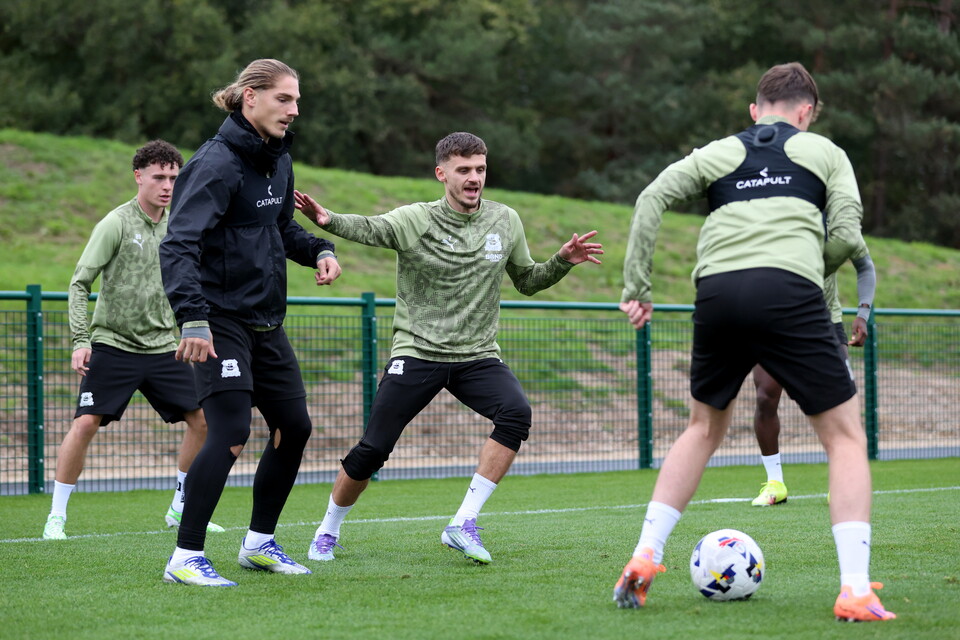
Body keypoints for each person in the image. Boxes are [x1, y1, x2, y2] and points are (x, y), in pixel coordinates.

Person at [614, 63, 895, 621]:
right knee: (843, 436)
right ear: (806, 112)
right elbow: (846, 235)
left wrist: (637, 288)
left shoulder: (717, 152)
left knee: (702, 428)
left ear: (754, 110)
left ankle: (645, 555)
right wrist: (800, 268)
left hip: (716, 293)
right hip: (789, 290)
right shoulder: (826, 152)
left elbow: (650, 198)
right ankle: (855, 590)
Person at [294, 131, 603, 565]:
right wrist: (328, 220)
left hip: (477, 355)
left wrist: (562, 261)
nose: (474, 178)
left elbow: (528, 281)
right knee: (374, 449)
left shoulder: (505, 220)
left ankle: (463, 522)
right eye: (464, 170)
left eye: (480, 169)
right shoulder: (417, 218)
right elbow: (373, 228)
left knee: (516, 413)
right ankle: (327, 529)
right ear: (442, 174)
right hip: (418, 351)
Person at [158, 59, 341, 587]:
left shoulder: (279, 160)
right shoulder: (214, 164)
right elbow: (179, 244)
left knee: (295, 427)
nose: (295, 109)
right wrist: (193, 318)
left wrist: (320, 249)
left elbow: (280, 229)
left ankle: (259, 543)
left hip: (266, 321)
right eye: (284, 98)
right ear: (250, 98)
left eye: (297, 99)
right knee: (231, 430)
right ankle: (185, 556)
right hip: (219, 320)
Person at [43, 140, 224, 540]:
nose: (167, 186)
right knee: (85, 423)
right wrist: (80, 340)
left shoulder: (181, 225)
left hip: (165, 347)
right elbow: (79, 284)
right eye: (159, 177)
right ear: (138, 176)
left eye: (173, 178)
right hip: (114, 344)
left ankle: (180, 508)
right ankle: (56, 516)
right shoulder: (116, 223)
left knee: (204, 421)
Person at [750, 249, 876, 506]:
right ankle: (775, 483)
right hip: (771, 322)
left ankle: (841, 482)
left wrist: (863, 314)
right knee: (765, 398)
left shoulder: (836, 229)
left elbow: (864, 265)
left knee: (839, 405)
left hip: (824, 322)